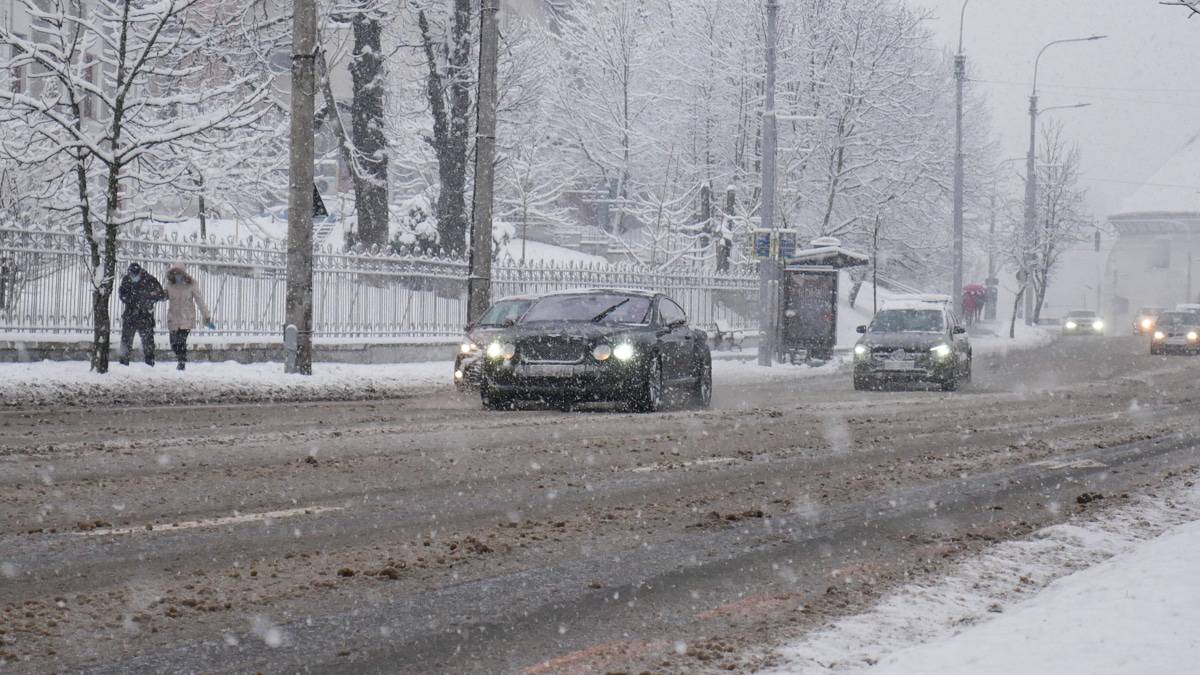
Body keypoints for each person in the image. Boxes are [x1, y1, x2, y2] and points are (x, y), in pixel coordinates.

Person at [164, 264, 214, 371]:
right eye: (175, 273)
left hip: (186, 318)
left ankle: (181, 362)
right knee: (173, 343)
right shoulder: (169, 285)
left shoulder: (191, 284)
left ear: (183, 273)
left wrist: (206, 316)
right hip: (173, 318)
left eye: (179, 273)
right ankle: (181, 358)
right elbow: (164, 296)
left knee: (181, 341)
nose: (177, 275)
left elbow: (199, 300)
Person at [118, 262, 167, 366]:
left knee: (148, 341)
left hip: (145, 316)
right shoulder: (126, 280)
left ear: (140, 272)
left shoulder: (149, 280)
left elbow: (160, 294)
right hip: (130, 315)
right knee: (126, 340)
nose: (133, 277)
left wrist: (148, 299)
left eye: (135, 275)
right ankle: (123, 362)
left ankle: (149, 362)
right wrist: (132, 299)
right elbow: (122, 295)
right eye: (131, 275)